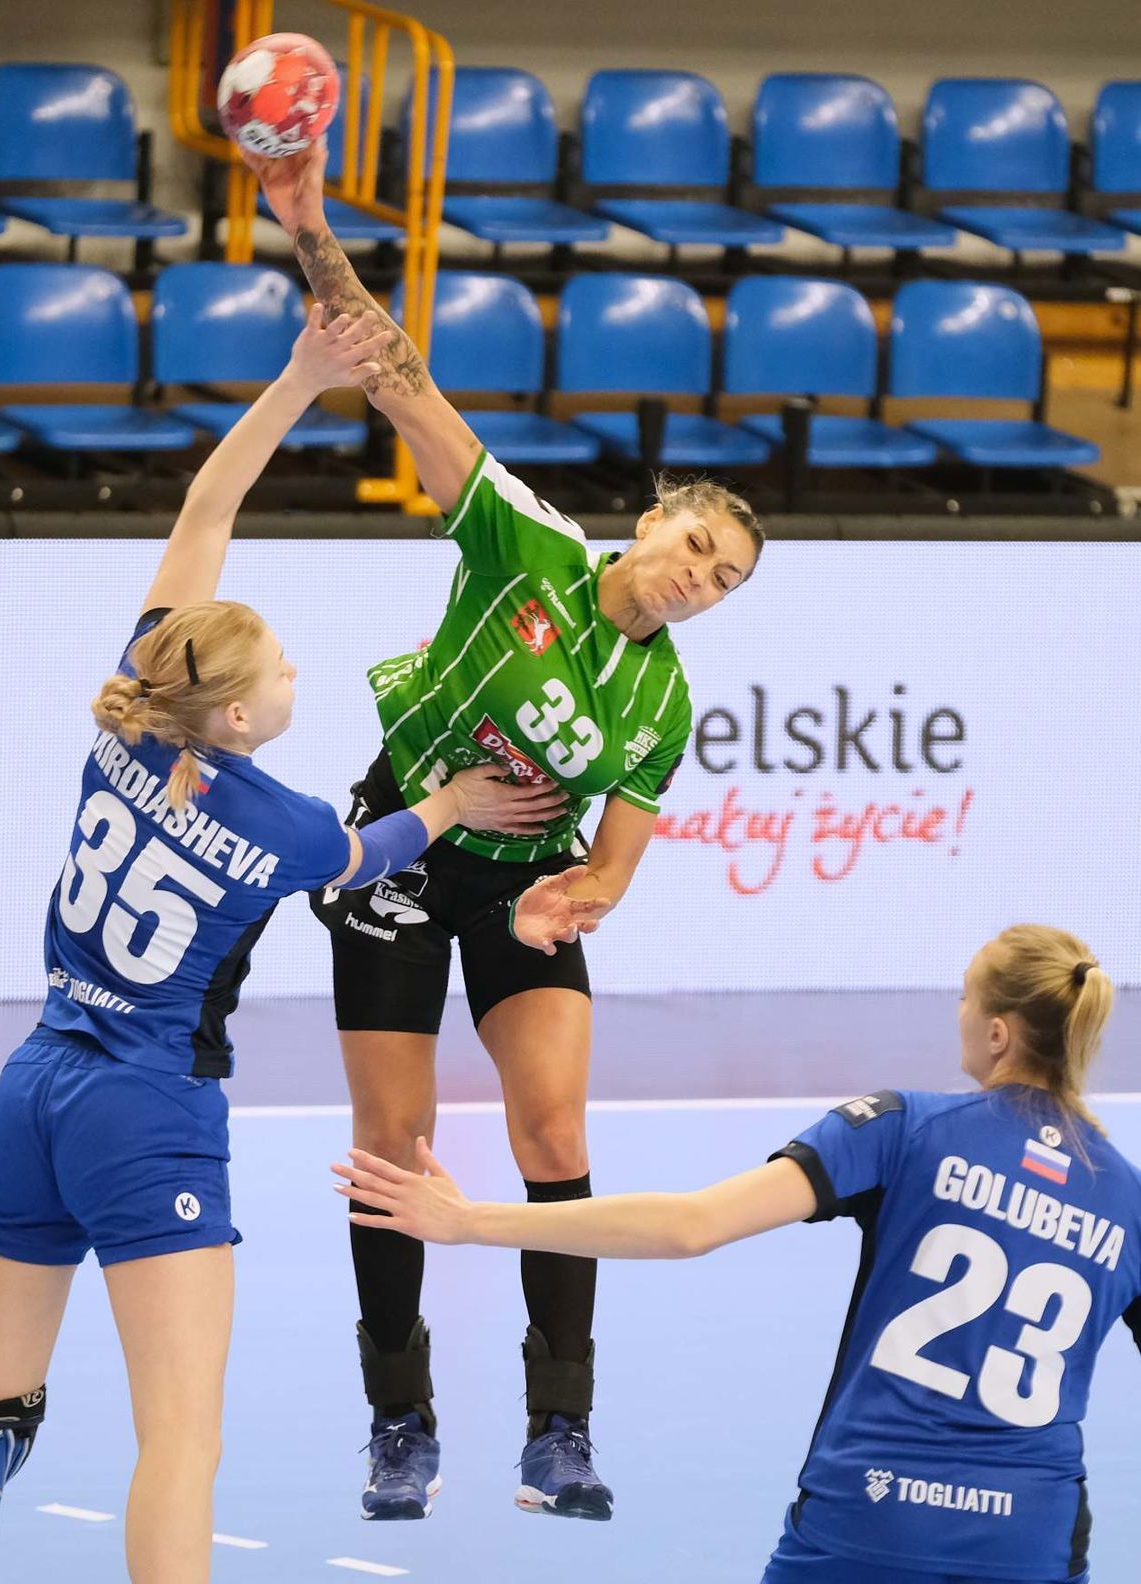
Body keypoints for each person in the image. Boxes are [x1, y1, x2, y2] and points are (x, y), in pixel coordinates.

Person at [0, 307, 583, 1584]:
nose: (297, 674)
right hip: (146, 1108)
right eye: (283, 669)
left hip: (32, 1087)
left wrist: (294, 383)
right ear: (235, 713)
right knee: (182, 1443)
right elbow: (373, 854)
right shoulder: (278, 820)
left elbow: (205, 514)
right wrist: (450, 806)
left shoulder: (132, 708)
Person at [248, 140, 765, 1522]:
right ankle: (399, 1419)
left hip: (518, 885)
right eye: (696, 551)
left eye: (724, 583)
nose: (702, 584)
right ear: (651, 526)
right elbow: (401, 378)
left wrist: (570, 903)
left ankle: (561, 1433)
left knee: (551, 1131)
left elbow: (612, 860)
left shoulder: (663, 699)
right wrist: (312, 233)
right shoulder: (524, 543)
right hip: (406, 853)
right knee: (396, 1142)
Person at [337, 924, 1137, 1583]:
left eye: (964, 997)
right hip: (1028, 1537)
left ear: (997, 1033)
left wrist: (472, 1221)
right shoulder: (1126, 1200)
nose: (957, 1011)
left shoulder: (902, 1128)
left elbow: (690, 1225)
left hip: (866, 1519)